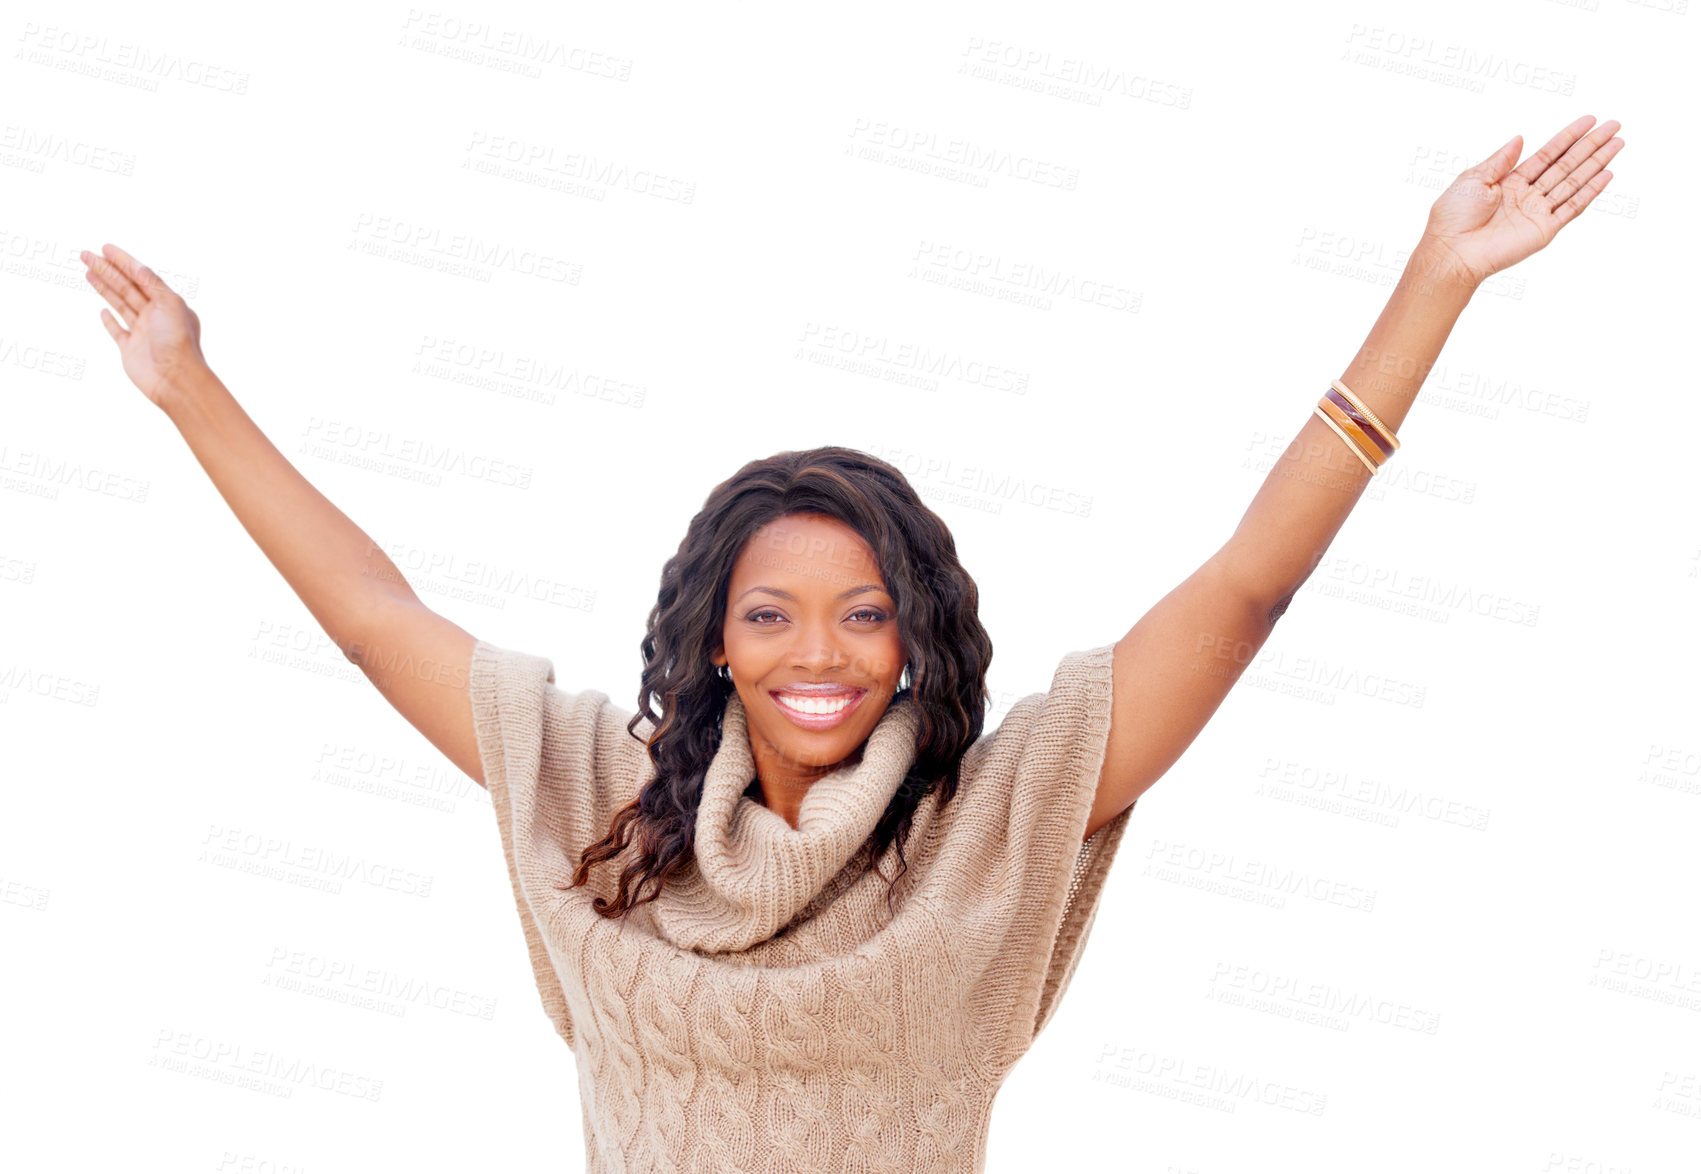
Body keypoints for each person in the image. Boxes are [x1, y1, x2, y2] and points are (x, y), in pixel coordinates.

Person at [79, 114, 1623, 1171]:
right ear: (717, 647)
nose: (818, 649)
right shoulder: (597, 800)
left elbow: (1240, 592)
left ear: (911, 645)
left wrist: (1433, 282)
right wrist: (188, 388)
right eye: (772, 613)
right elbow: (372, 619)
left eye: (863, 611)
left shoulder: (990, 830)